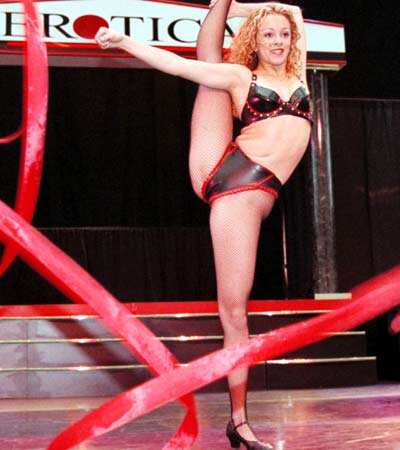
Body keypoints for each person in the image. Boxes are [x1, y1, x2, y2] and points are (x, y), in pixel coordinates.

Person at [96, 1, 311, 448]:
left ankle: (221, 4)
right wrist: (126, 42)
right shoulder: (242, 77)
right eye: (268, 34)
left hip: (253, 186)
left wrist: (253, 9)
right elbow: (177, 66)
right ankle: (240, 421)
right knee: (234, 312)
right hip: (233, 188)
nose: (278, 41)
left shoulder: (298, 76)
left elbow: (291, 7)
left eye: (283, 34)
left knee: (237, 311)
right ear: (255, 40)